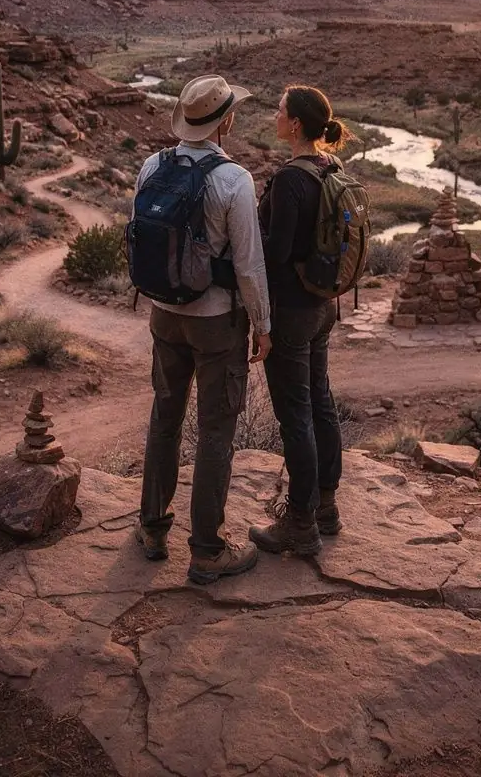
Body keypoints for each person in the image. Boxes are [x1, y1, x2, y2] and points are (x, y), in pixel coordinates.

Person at [133, 74, 272, 585]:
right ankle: (208, 550)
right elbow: (249, 266)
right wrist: (263, 325)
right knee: (216, 430)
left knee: (164, 418)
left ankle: (152, 528)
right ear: (226, 121)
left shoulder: (153, 165)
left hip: (164, 313)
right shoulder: (235, 180)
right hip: (216, 323)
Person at [249, 85, 352, 557]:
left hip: (290, 310)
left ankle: (300, 523)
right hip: (323, 306)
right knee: (320, 402)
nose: (275, 115)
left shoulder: (291, 178)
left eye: (280, 111)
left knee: (296, 416)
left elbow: (277, 253)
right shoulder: (331, 166)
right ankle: (326, 507)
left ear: (294, 124)